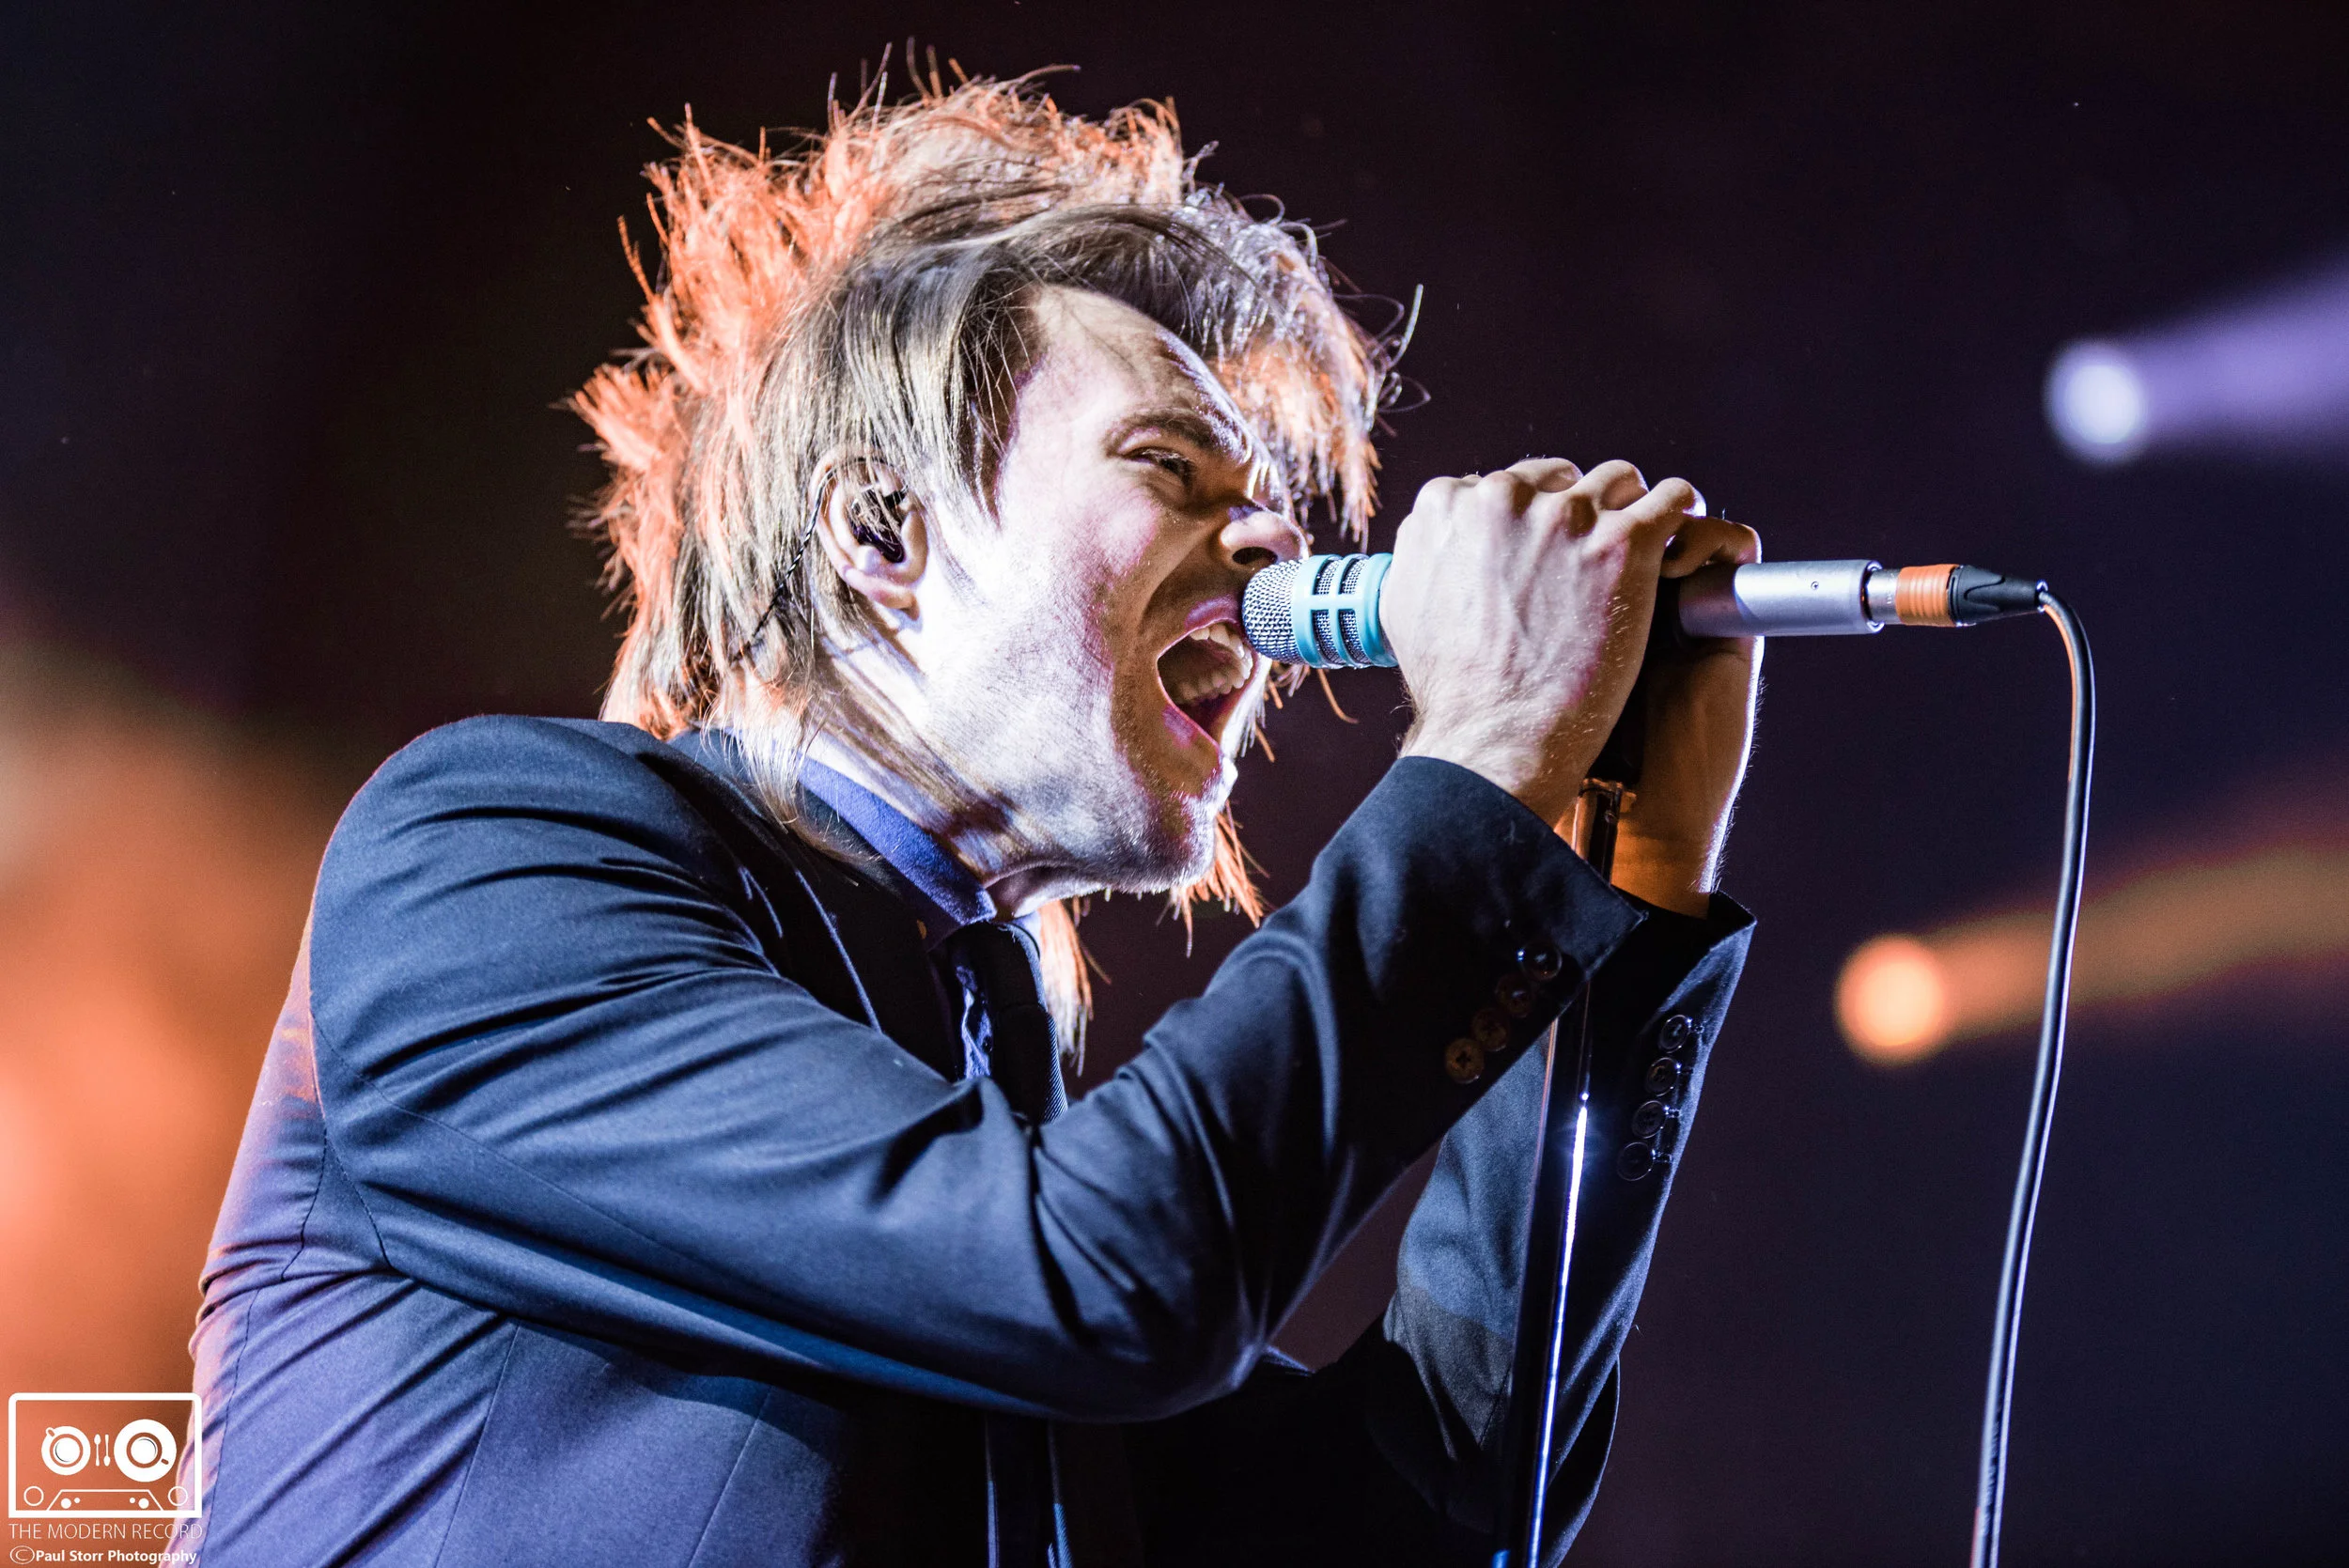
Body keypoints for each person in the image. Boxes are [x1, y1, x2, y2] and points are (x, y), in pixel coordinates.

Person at [174, 76, 1760, 1567]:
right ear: (881, 527)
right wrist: (1480, 756)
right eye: (1170, 465)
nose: (1273, 541)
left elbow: (1421, 1520)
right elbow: (1103, 1274)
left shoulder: (987, 1058)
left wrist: (1626, 880)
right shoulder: (491, 859)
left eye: (1264, 497)